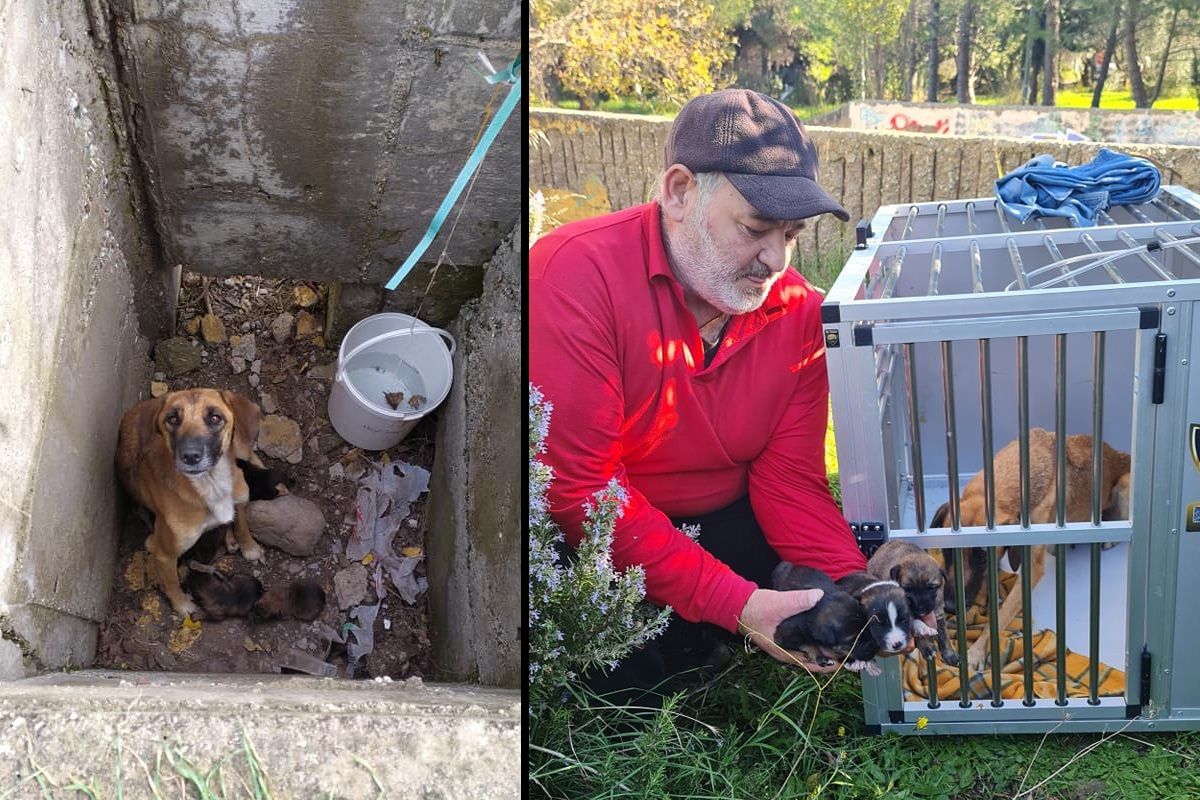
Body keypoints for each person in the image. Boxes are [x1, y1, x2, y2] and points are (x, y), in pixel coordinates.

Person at [529, 88, 868, 692]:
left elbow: (789, 479)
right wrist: (737, 604)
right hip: (602, 528)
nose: (775, 261)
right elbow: (583, 492)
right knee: (625, 685)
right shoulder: (575, 274)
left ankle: (705, 628)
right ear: (680, 191)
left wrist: (862, 588)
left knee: (818, 605)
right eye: (756, 228)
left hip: (722, 515)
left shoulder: (797, 314)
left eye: (791, 235)